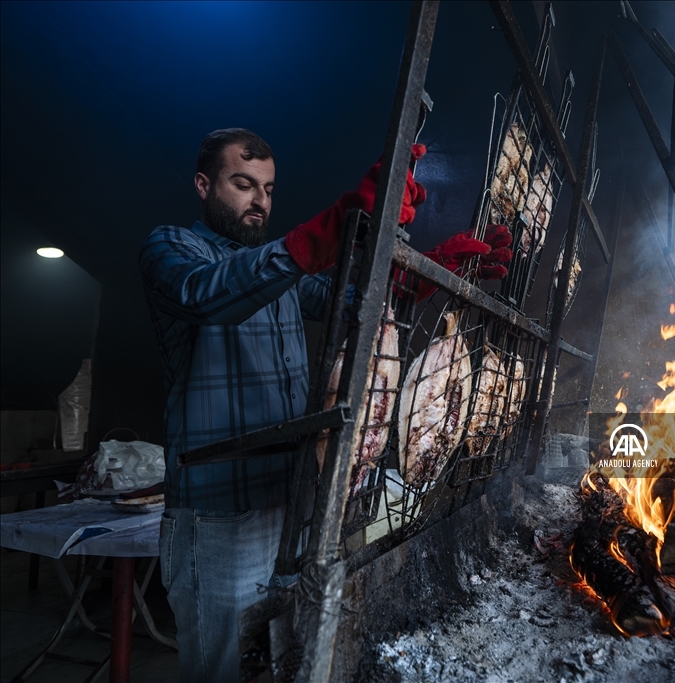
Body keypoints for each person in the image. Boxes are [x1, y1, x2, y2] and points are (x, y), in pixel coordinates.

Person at [140, 128, 511, 682]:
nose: (259, 200)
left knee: (285, 661)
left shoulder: (281, 275)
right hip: (218, 518)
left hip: (290, 504)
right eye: (243, 184)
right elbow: (207, 294)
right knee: (218, 670)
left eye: (267, 188)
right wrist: (320, 237)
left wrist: (431, 273)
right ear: (203, 185)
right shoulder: (172, 249)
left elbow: (353, 303)